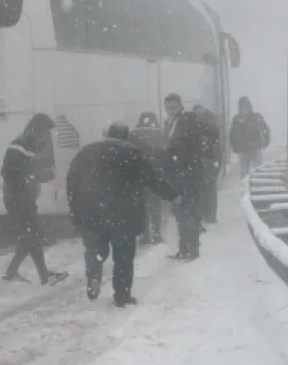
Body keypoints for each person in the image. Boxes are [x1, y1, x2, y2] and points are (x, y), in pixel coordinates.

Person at [67, 122, 179, 306]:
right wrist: (171, 195)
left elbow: (72, 181)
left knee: (95, 249)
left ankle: (94, 274)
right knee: (123, 256)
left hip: (93, 210)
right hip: (124, 213)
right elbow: (152, 178)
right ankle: (122, 295)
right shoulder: (133, 153)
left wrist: (76, 210)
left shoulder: (87, 152)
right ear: (126, 137)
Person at [0, 113, 70, 285]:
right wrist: (25, 183)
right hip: (18, 199)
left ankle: (12, 273)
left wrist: (41, 175)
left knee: (30, 236)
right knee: (33, 234)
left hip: (23, 198)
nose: (47, 136)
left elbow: (32, 171)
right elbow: (8, 172)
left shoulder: (30, 145)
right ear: (37, 130)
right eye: (46, 132)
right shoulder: (20, 146)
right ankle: (43, 276)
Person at [163, 93, 208, 261]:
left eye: (173, 108)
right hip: (177, 175)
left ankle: (193, 249)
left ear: (181, 105)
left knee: (190, 212)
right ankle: (183, 249)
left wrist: (172, 151)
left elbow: (191, 146)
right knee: (180, 214)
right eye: (167, 108)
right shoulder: (169, 123)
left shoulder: (189, 120)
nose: (170, 111)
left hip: (189, 174)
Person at [129, 112, 169, 245]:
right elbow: (164, 154)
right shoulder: (159, 134)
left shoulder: (133, 135)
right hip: (154, 175)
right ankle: (156, 233)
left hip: (139, 176)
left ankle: (145, 234)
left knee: (141, 206)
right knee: (155, 205)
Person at [192, 105, 222, 224]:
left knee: (203, 188)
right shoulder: (212, 122)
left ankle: (205, 214)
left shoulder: (200, 125)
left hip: (205, 160)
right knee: (210, 188)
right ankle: (210, 215)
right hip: (210, 160)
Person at [230, 96, 271, 178]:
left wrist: (265, 142)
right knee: (245, 173)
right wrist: (235, 147)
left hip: (255, 147)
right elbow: (232, 135)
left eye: (246, 106)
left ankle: (257, 183)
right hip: (244, 149)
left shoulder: (256, 117)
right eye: (243, 106)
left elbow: (265, 129)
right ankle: (246, 187)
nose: (245, 108)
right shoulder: (237, 119)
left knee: (257, 170)